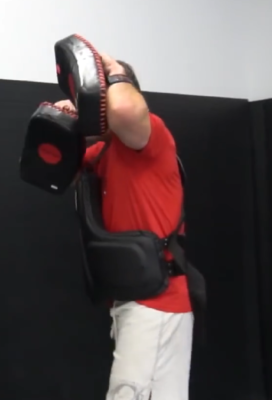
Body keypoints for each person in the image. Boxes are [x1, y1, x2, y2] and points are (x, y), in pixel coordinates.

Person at [56, 53, 193, 400]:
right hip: (130, 298)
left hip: (157, 301)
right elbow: (54, 170)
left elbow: (125, 111)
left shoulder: (151, 136)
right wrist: (63, 124)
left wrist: (115, 72)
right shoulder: (101, 153)